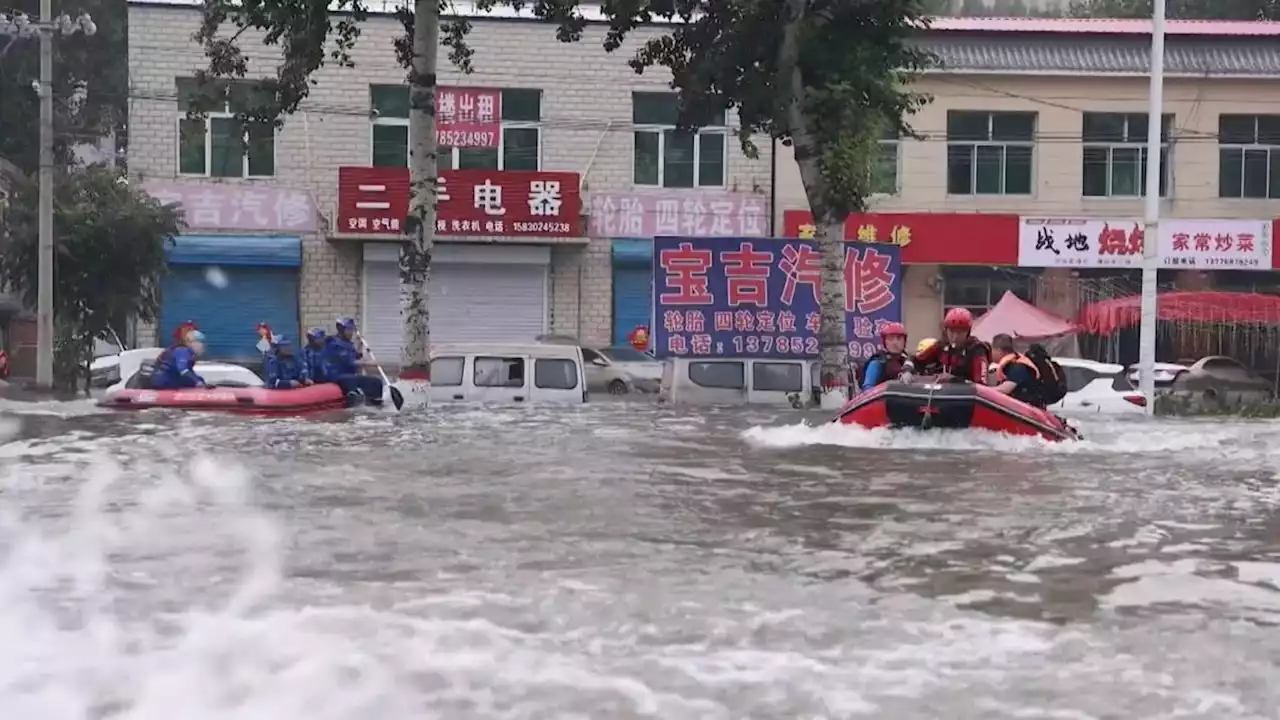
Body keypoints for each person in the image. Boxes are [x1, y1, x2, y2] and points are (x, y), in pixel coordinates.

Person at [903, 307, 990, 383]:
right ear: (946, 330)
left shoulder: (977, 350)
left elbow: (981, 384)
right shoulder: (941, 346)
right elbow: (916, 359)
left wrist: (954, 380)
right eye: (952, 331)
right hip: (943, 397)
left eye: (960, 332)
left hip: (965, 398)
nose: (955, 337)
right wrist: (907, 370)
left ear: (968, 332)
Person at [324, 317, 384, 405]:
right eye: (349, 330)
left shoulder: (348, 343)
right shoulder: (334, 344)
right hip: (337, 376)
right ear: (341, 330)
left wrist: (360, 345)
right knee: (352, 383)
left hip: (350, 376)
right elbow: (351, 362)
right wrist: (370, 363)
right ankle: (351, 404)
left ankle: (374, 403)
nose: (351, 332)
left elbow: (356, 357)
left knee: (376, 382)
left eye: (352, 329)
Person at [989, 333, 1044, 406]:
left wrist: (981, 390)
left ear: (999, 350)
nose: (991, 353)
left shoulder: (1018, 366)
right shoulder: (1008, 365)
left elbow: (1004, 389)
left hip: (1029, 410)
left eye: (992, 349)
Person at [860, 322, 911, 390]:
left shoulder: (908, 361)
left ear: (904, 341)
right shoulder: (878, 362)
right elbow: (868, 389)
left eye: (899, 338)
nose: (895, 342)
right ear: (885, 342)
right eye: (890, 338)